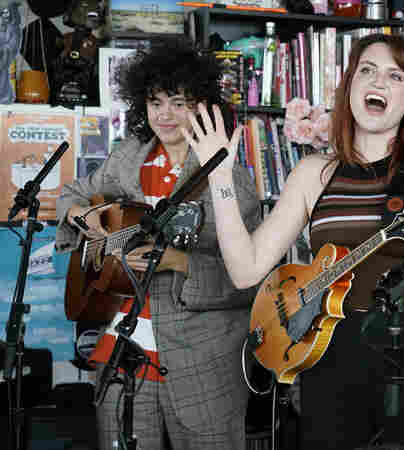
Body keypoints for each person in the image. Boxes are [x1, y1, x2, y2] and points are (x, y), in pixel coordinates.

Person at [184, 33, 404, 450]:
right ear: (349, 87)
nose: (377, 82)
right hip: (329, 354)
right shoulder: (314, 173)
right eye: (366, 71)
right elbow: (245, 270)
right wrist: (219, 180)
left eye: (394, 75)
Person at [55, 40, 261, 450]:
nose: (164, 114)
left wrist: (179, 262)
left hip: (201, 358)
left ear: (201, 106)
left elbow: (250, 281)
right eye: (154, 102)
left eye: (177, 102)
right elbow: (71, 195)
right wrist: (86, 217)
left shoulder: (228, 178)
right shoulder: (129, 156)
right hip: (122, 343)